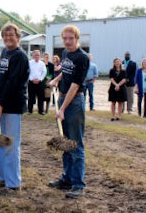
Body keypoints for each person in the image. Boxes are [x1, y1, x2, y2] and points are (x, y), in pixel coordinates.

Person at [48, 24, 89, 199]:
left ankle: (78, 185)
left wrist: (63, 108)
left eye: (70, 38)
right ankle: (66, 179)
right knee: (65, 143)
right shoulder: (65, 54)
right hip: (62, 97)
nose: (67, 41)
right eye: (64, 38)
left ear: (77, 39)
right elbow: (66, 73)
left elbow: (75, 84)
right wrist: (56, 79)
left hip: (74, 102)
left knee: (75, 144)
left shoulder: (82, 57)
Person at [0, 22, 29, 196]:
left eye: (11, 35)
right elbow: (1, 76)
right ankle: (3, 177)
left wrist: (1, 103)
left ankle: (13, 183)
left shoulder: (20, 56)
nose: (8, 38)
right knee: (0, 141)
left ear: (18, 37)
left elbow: (13, 83)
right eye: (5, 35)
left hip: (12, 105)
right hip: (0, 103)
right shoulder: (5, 52)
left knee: (10, 144)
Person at [27, 50, 46, 115]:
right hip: (31, 82)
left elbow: (44, 72)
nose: (37, 56)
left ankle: (41, 110)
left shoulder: (42, 63)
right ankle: (30, 110)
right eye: (35, 55)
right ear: (33, 56)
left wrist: (40, 79)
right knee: (31, 97)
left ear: (40, 56)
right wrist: (32, 79)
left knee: (40, 97)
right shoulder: (29, 63)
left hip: (40, 82)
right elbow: (27, 72)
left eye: (38, 55)